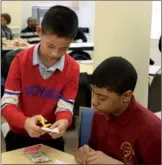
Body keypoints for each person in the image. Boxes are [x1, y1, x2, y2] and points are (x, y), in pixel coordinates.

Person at [1, 5, 79, 152]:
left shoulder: (72, 67)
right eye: (50, 46)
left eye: (64, 48)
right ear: (39, 32)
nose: (55, 53)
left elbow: (66, 107)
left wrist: (64, 121)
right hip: (19, 133)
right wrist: (25, 122)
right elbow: (6, 105)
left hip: (51, 138)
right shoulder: (20, 61)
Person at [75, 57, 161, 164]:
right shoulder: (101, 113)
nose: (94, 102)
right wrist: (86, 152)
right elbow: (94, 150)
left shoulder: (152, 130)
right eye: (93, 93)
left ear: (126, 96)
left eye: (102, 98)